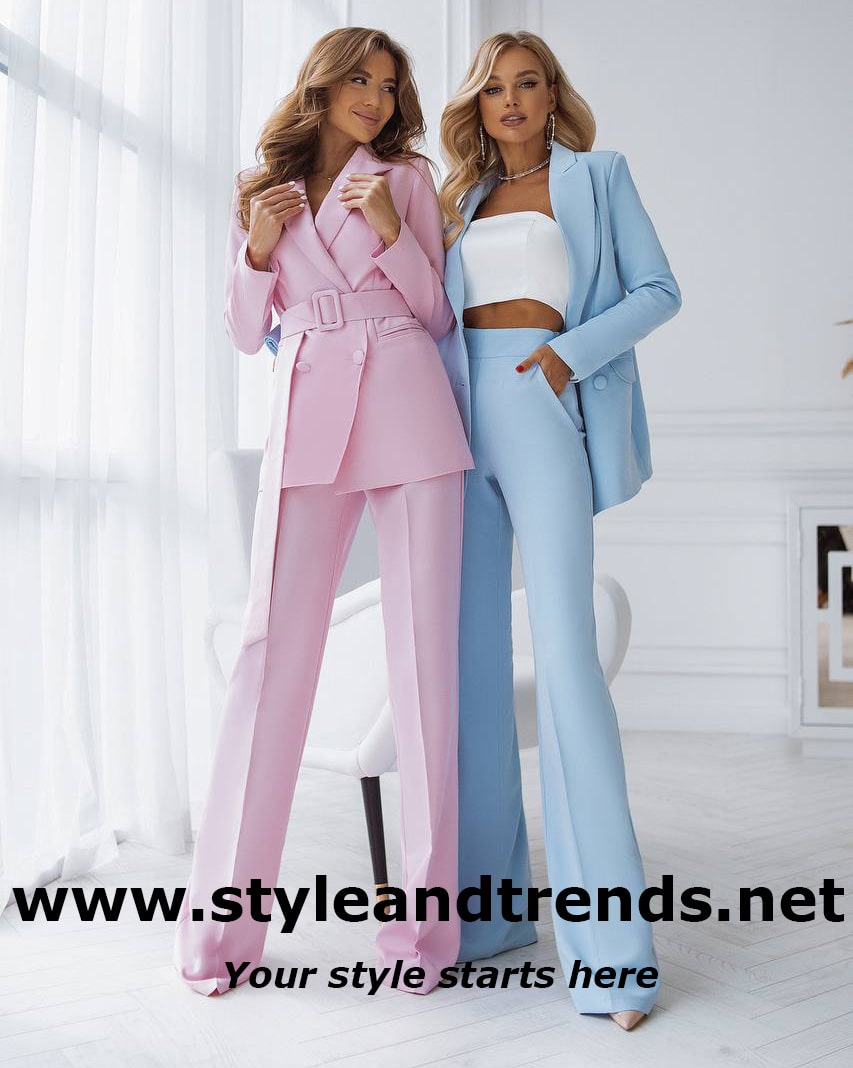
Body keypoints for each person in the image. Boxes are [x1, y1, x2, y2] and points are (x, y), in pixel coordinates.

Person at [174, 26, 473, 997]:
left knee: (423, 667)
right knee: (269, 660)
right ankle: (221, 933)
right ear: (324, 83)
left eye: (390, 87)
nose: (377, 99)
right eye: (361, 80)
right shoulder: (263, 190)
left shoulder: (411, 183)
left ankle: (422, 939)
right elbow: (242, 330)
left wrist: (390, 228)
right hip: (307, 420)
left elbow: (435, 313)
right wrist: (258, 250)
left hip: (412, 414)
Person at [438, 30, 682, 1030]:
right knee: (472, 673)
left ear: (551, 95)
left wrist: (561, 361)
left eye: (526, 83)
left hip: (541, 404)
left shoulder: (598, 177)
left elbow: (658, 291)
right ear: (477, 103)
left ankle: (615, 960)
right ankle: (488, 923)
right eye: (491, 88)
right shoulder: (455, 201)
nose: (509, 100)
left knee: (568, 668)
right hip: (456, 421)